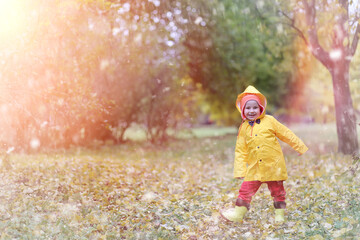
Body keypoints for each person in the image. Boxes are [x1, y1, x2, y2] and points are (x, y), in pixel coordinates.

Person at [220, 85, 308, 224]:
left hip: (273, 165)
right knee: (245, 190)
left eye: (254, 107)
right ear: (242, 110)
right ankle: (238, 214)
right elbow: (240, 150)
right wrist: (240, 169)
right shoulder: (244, 127)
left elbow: (286, 134)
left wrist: (300, 147)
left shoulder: (270, 121)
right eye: (247, 108)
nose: (251, 111)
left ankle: (279, 215)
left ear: (260, 107)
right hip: (255, 167)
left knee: (278, 191)